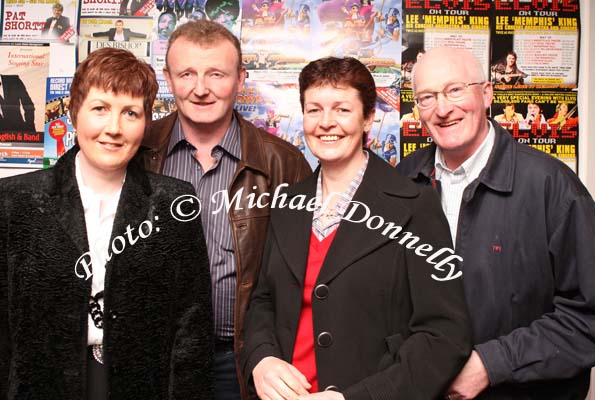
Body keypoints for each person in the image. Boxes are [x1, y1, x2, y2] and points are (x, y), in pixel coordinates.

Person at [241, 56, 471, 399]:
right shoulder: (287, 202)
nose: (326, 123)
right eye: (314, 109)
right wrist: (260, 360)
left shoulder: (415, 205)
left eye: (342, 110)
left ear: (368, 118)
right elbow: (263, 301)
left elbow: (444, 336)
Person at [0, 47, 213, 399]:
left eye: (130, 113)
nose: (113, 128)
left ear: (146, 122)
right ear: (74, 112)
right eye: (100, 109)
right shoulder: (14, 201)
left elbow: (190, 329)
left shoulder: (173, 202)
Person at [397, 47, 595, 399]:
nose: (443, 109)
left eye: (455, 90)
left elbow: (592, 318)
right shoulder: (402, 182)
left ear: (487, 94)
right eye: (427, 97)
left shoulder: (551, 186)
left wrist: (492, 364)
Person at [136, 20, 311, 400]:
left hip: (242, 359)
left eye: (216, 74)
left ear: (240, 79)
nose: (201, 89)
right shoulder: (137, 152)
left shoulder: (283, 162)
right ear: (168, 78)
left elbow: (304, 275)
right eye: (187, 74)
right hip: (153, 355)